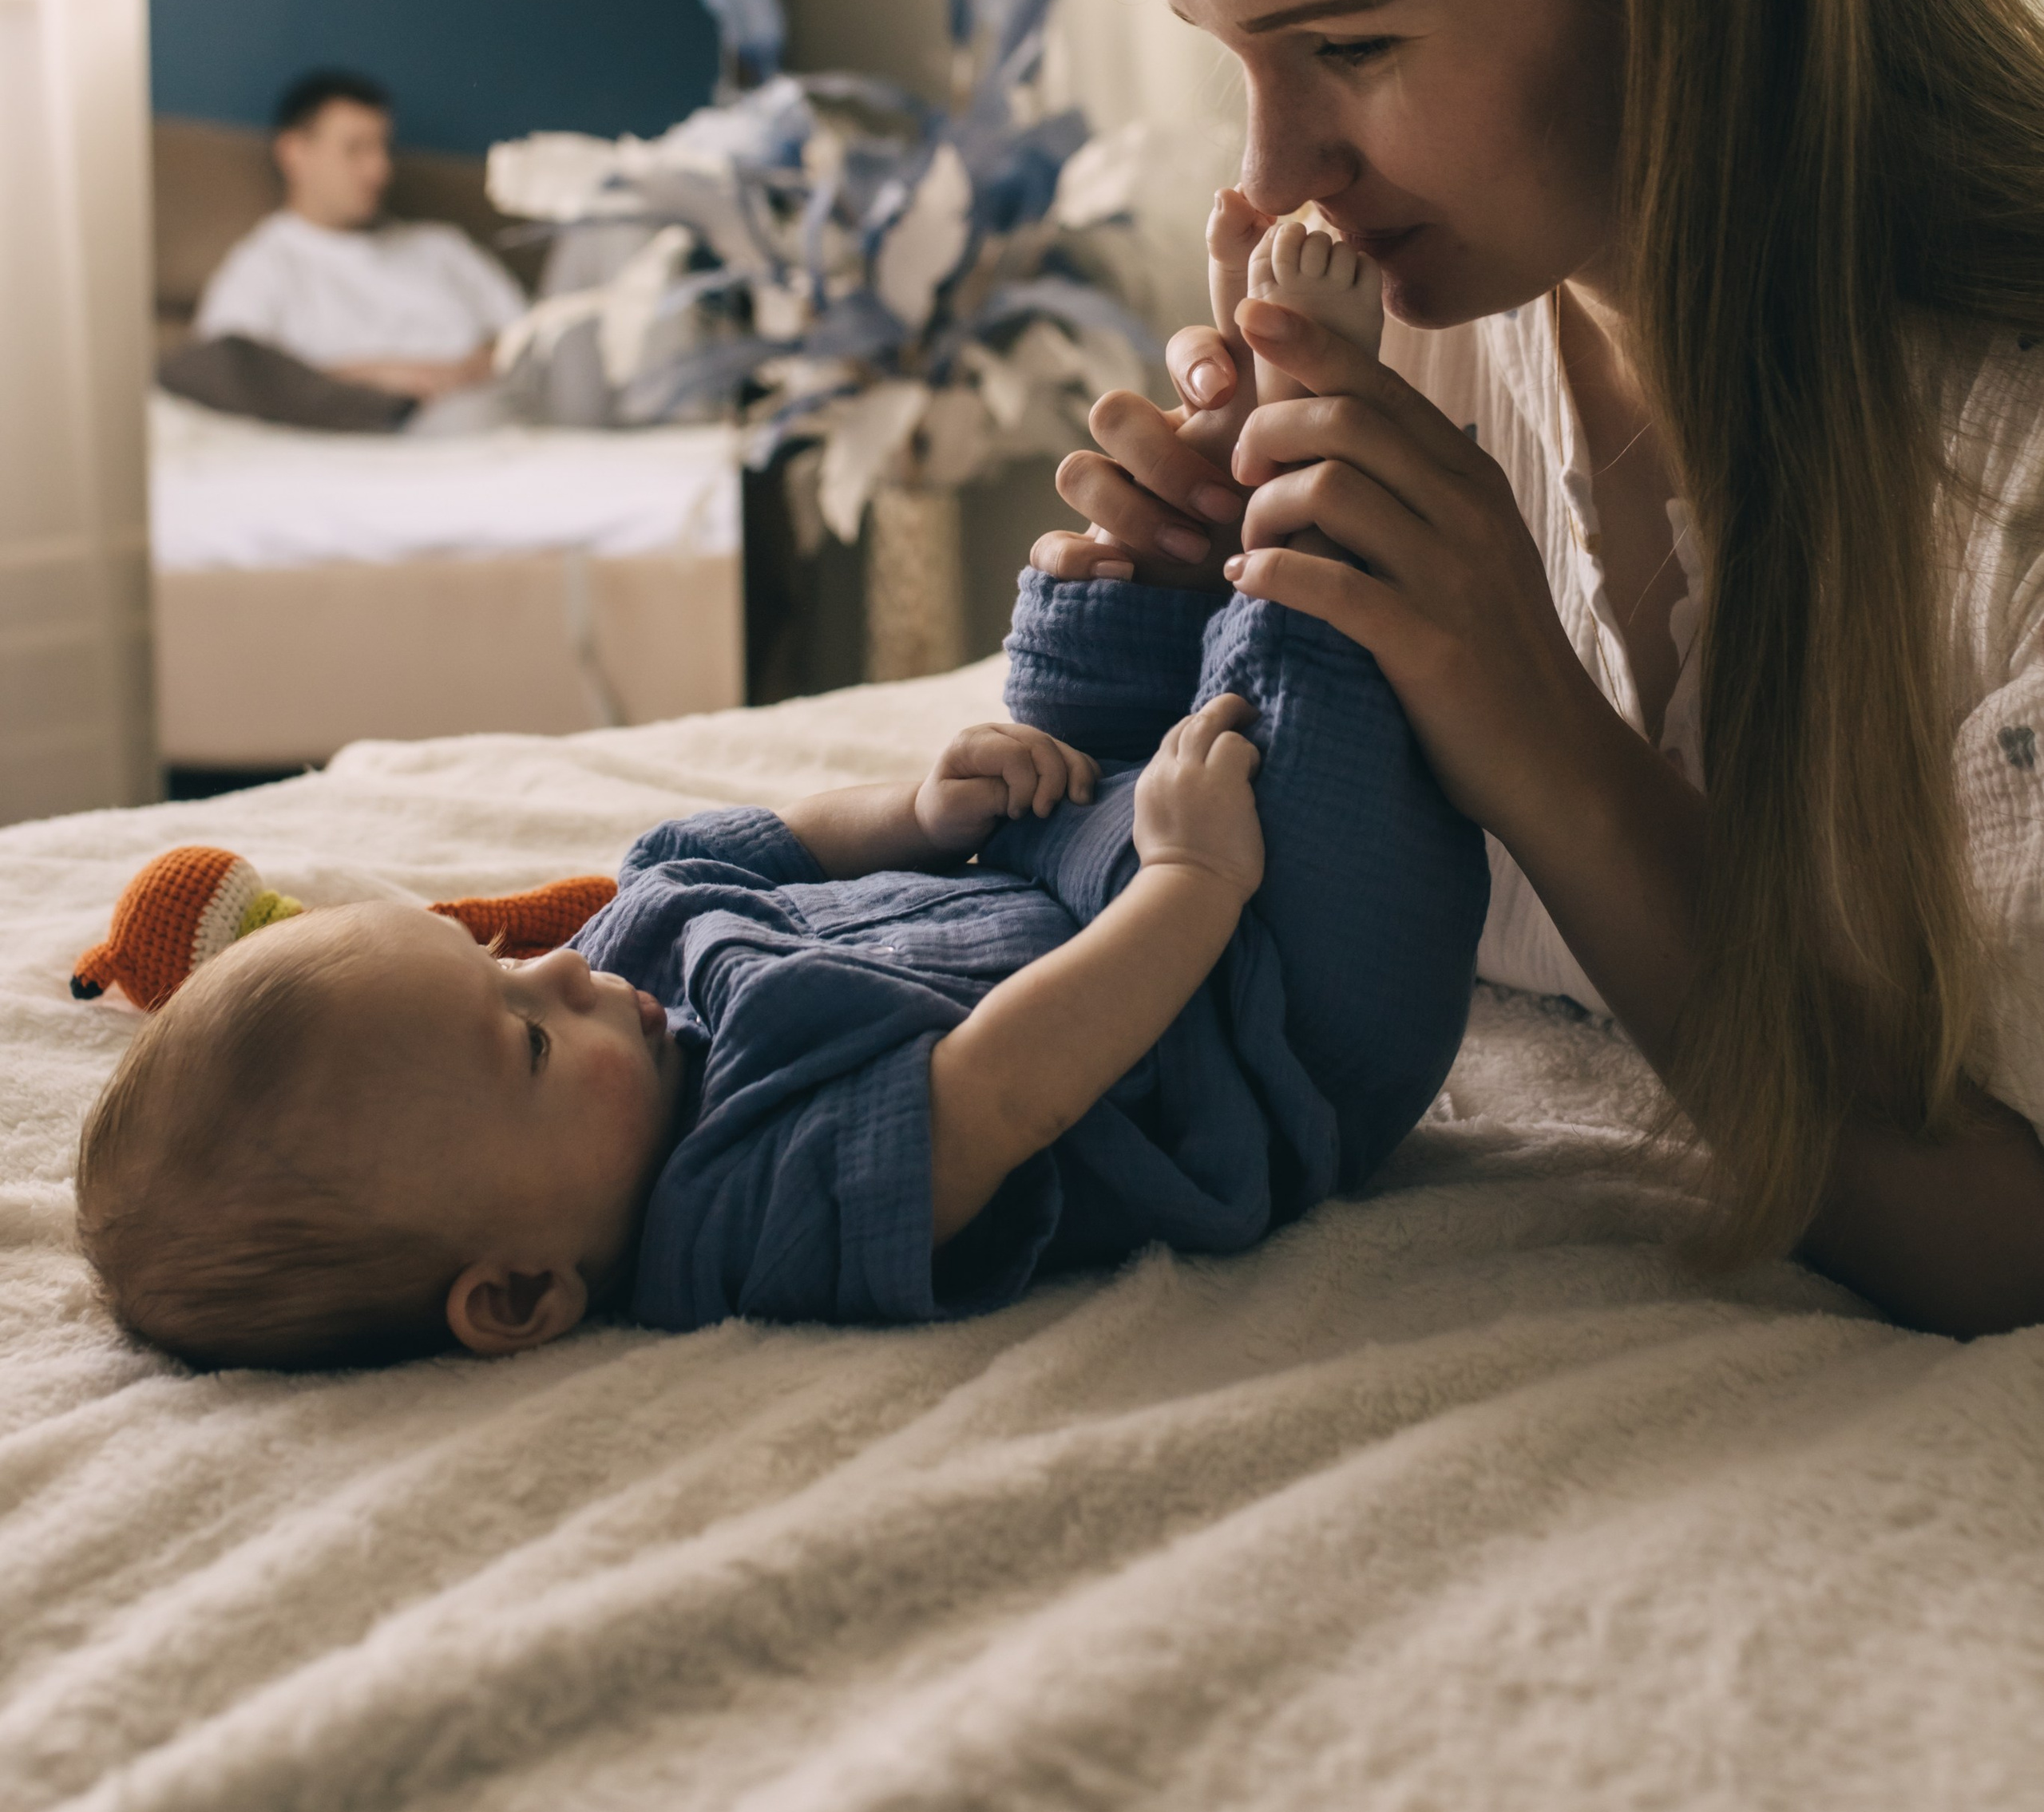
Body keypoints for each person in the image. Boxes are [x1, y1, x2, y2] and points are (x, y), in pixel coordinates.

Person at [1032, 0, 2044, 1341]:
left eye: (1344, 43)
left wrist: (1518, 709)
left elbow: (2005, 1234)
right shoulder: (1430, 321)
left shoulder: (1998, 475)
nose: (1271, 171)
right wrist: (1207, 659)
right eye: (1228, 58)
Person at [73, 222, 1488, 1371]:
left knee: (1065, 636)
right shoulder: (733, 1212)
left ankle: (1197, 529)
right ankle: (1314, 439)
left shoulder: (624, 970)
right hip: (1270, 1028)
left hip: (1060, 878)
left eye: (497, 961)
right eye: (524, 1048)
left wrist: (921, 811)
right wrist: (1195, 886)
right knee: (1279, 699)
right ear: (518, 1294)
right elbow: (1003, 1089)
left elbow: (774, 847)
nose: (561, 974)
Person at [193, 68, 525, 406]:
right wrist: (386, 378)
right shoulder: (264, 265)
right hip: (399, 424)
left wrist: (472, 370)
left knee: (582, 249)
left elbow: (536, 335)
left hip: (512, 396)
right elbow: (230, 378)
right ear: (293, 153)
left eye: (383, 149)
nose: (379, 170)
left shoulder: (441, 246)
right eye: (355, 149)